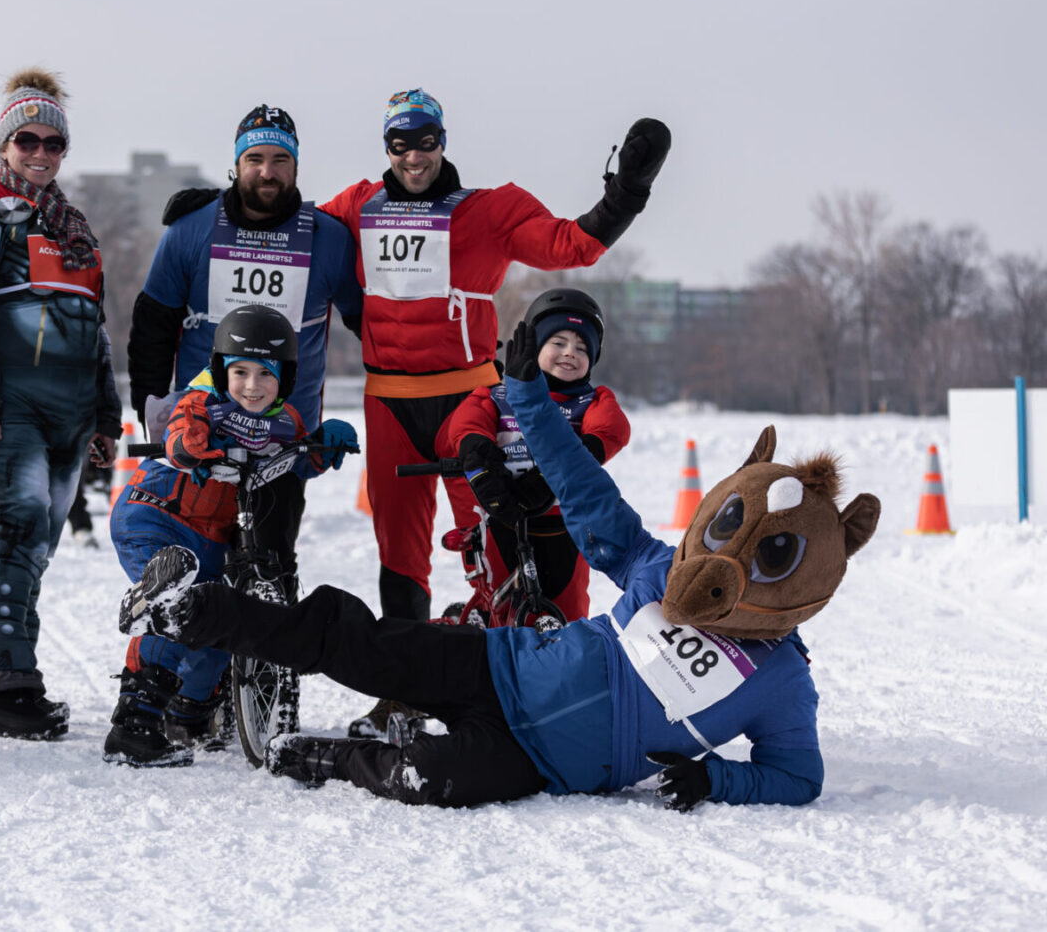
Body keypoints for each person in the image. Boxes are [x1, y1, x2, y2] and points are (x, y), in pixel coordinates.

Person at [119, 320, 882, 810]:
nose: (723, 565)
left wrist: (719, 777)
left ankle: (333, 755)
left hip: (534, 759)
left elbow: (797, 775)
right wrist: (525, 396)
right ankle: (192, 607)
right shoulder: (657, 568)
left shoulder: (781, 677)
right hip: (497, 662)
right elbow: (587, 493)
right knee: (349, 637)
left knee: (429, 778)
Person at [318, 88, 670, 735]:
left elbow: (574, 245)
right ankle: (402, 690)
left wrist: (628, 190)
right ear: (386, 147)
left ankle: (517, 683)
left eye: (425, 140)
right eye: (400, 142)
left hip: (468, 399)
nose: (414, 155)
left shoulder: (486, 211)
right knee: (399, 554)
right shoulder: (358, 205)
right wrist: (213, 213)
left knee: (497, 539)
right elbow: (295, 235)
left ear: (443, 141)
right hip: (390, 398)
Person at [0, 67, 122, 741]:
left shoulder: (75, 230)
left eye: (52, 143)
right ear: (4, 145)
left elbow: (95, 329)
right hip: (9, 412)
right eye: (26, 141)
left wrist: (104, 414)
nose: (39, 153)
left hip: (68, 413)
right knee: (13, 529)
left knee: (38, 543)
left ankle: (18, 674)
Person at [105, 304, 358, 767]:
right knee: (178, 606)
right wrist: (185, 444)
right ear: (220, 371)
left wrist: (323, 446)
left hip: (215, 541)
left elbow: (295, 459)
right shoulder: (203, 403)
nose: (252, 386)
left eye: (266, 374)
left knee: (227, 617)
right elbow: (183, 426)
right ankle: (135, 724)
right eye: (239, 372)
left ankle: (192, 711)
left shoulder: (285, 422)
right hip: (157, 518)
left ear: (286, 377)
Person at [126, 104, 363, 586]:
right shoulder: (190, 231)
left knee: (269, 575)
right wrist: (151, 412)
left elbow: (375, 324)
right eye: (255, 159)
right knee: (199, 581)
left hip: (284, 441)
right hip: (203, 437)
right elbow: (152, 326)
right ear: (236, 165)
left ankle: (267, 660)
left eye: (280, 160)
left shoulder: (330, 239)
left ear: (296, 167)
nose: (267, 171)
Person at [437, 288, 630, 625]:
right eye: (558, 342)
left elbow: (610, 431)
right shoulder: (496, 393)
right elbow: (466, 425)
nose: (571, 353)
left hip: (565, 526)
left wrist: (550, 476)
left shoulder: (592, 401)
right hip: (503, 516)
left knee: (568, 614)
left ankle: (563, 667)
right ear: (534, 346)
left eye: (582, 347)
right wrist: (481, 464)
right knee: (500, 605)